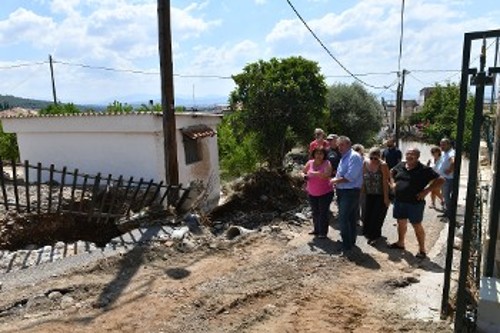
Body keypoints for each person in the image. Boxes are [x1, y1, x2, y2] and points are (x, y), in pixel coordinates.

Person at [388, 148, 445, 259]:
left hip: (415, 203)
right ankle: (400, 243)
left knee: (416, 225)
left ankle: (422, 250)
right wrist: (393, 183)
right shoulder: (401, 165)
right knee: (401, 222)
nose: (409, 156)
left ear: (418, 156)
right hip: (399, 201)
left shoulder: (424, 169)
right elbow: (391, 172)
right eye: (408, 153)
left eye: (412, 154)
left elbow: (441, 180)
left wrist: (427, 190)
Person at [330, 136, 364, 253]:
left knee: (344, 218)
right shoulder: (345, 156)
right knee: (350, 218)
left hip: (349, 191)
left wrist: (335, 181)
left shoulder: (353, 157)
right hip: (344, 191)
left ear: (349, 144)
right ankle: (350, 242)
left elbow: (350, 177)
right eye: (338, 145)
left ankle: (346, 245)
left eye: (342, 145)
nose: (339, 147)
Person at [302, 147, 334, 239]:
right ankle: (316, 230)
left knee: (323, 212)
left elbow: (327, 175)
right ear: (313, 154)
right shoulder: (310, 162)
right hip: (312, 192)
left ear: (324, 155)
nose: (318, 155)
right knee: (315, 212)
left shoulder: (327, 163)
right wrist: (304, 176)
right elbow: (303, 172)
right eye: (317, 153)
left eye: (321, 153)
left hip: (325, 192)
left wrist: (314, 173)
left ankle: (323, 232)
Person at [362, 147, 390, 245]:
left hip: (380, 194)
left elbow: (385, 182)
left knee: (377, 216)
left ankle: (374, 236)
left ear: (380, 157)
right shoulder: (365, 163)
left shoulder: (383, 165)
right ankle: (369, 233)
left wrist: (386, 198)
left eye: (376, 158)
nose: (373, 160)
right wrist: (361, 193)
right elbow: (363, 179)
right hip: (369, 193)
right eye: (371, 158)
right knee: (367, 214)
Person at [436, 138, 455, 219]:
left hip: (448, 179)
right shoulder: (444, 152)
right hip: (443, 178)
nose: (441, 146)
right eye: (441, 144)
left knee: (446, 196)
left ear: (448, 145)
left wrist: (450, 170)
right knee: (444, 195)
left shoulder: (451, 153)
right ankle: (447, 212)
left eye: (443, 144)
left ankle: (450, 213)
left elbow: (453, 162)